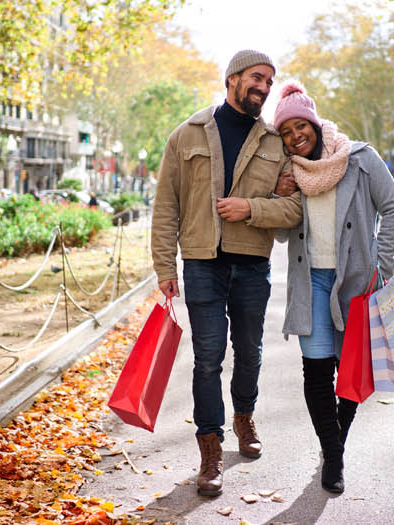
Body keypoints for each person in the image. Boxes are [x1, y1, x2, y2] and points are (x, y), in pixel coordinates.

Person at [150, 49, 303, 497]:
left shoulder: (277, 141)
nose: (264, 86)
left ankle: (244, 417)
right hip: (201, 264)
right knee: (207, 359)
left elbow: (293, 209)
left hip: (253, 264)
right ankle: (210, 449)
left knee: (250, 353)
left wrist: (250, 208)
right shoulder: (187, 134)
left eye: (270, 81)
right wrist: (164, 266)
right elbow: (166, 207)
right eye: (257, 77)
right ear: (232, 78)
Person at [271, 82, 394, 493]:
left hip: (355, 284)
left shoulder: (360, 158)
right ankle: (334, 456)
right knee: (316, 372)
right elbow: (279, 234)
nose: (296, 135)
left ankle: (333, 451)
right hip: (311, 282)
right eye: (287, 131)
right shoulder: (289, 172)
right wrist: (279, 196)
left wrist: (380, 266)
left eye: (301, 125)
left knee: (349, 374)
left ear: (314, 122)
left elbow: (393, 208)